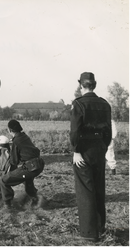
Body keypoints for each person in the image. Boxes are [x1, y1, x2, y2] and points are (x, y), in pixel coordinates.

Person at [70, 72, 112, 242]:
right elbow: (108, 131)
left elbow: (75, 131)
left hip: (83, 149)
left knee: (85, 190)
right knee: (99, 187)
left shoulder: (78, 104)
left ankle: (89, 234)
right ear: (94, 84)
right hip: (99, 149)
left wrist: (76, 151)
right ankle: (100, 228)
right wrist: (103, 147)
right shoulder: (105, 104)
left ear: (81, 85)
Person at [0, 119, 45, 209]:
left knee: (4, 180)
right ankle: (36, 199)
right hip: (39, 164)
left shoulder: (16, 141)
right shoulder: (24, 136)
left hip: (31, 167)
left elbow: (14, 162)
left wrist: (10, 150)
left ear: (9, 130)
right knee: (27, 180)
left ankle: (7, 205)